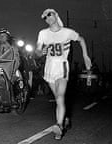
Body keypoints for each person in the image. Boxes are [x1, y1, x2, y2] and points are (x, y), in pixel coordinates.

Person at [35, 9, 92, 140]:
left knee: (60, 97)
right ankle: (64, 118)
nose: (48, 17)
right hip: (49, 68)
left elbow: (81, 39)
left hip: (62, 66)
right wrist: (41, 52)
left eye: (50, 14)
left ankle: (59, 126)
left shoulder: (67, 32)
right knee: (58, 98)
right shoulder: (43, 33)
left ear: (56, 15)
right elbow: (37, 52)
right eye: (45, 17)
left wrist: (85, 55)